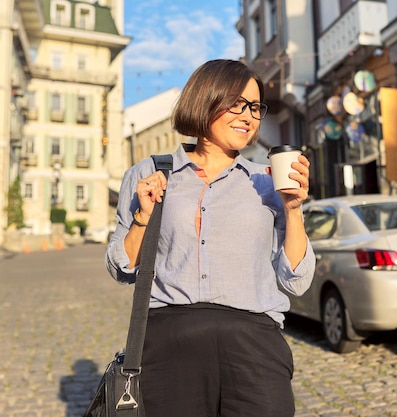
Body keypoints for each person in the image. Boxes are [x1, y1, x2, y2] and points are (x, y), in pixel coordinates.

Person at [105, 59, 316, 417]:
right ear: (206, 99)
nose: (248, 116)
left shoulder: (267, 184)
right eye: (236, 103)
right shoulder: (148, 173)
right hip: (169, 346)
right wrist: (143, 216)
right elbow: (121, 268)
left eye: (254, 107)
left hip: (255, 348)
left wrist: (293, 210)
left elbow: (296, 280)